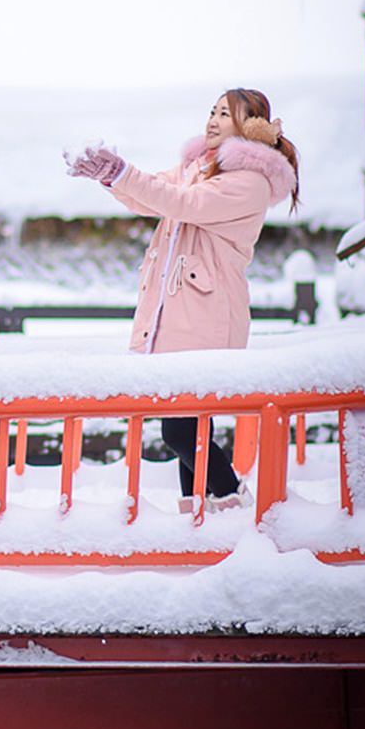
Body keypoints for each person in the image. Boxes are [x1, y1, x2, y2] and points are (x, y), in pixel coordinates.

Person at [65, 88, 300, 512]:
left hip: (207, 319)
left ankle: (235, 502)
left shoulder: (248, 182)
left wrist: (122, 172)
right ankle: (200, 517)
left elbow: (182, 203)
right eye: (212, 111)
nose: (212, 120)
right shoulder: (199, 167)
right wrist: (109, 176)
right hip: (180, 317)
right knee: (190, 429)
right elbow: (150, 193)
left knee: (179, 431)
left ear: (250, 126)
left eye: (225, 114)